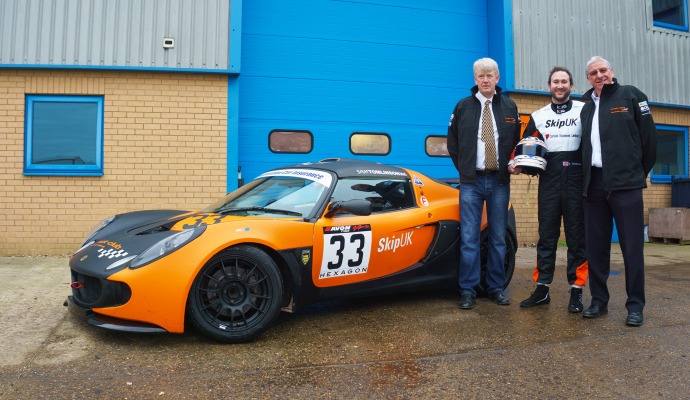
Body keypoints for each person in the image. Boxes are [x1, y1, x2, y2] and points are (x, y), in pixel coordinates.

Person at [580, 56, 657, 326]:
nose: (599, 75)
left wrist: (637, 173)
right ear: (588, 78)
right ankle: (599, 301)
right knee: (596, 249)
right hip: (594, 186)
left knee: (632, 248)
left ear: (611, 71)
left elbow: (649, 140)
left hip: (626, 185)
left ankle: (635, 306)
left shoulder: (631, 95)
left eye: (603, 70)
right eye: (593, 73)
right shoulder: (586, 106)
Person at [447, 57, 521, 309]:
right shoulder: (462, 107)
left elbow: (515, 146)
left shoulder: (510, 107)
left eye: (490, 75)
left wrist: (512, 164)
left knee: (499, 237)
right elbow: (453, 145)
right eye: (481, 76)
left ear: (497, 78)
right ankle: (467, 290)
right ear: (475, 79)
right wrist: (467, 171)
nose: (485, 79)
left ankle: (496, 288)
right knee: (469, 238)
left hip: (499, 181)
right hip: (471, 183)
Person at [516, 67, 589, 313]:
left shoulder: (584, 109)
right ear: (549, 85)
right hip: (549, 182)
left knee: (577, 239)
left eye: (564, 81)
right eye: (556, 81)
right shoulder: (538, 115)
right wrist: (520, 165)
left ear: (571, 85)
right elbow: (524, 148)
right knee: (546, 237)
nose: (560, 85)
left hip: (577, 181)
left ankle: (577, 291)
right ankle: (542, 289)